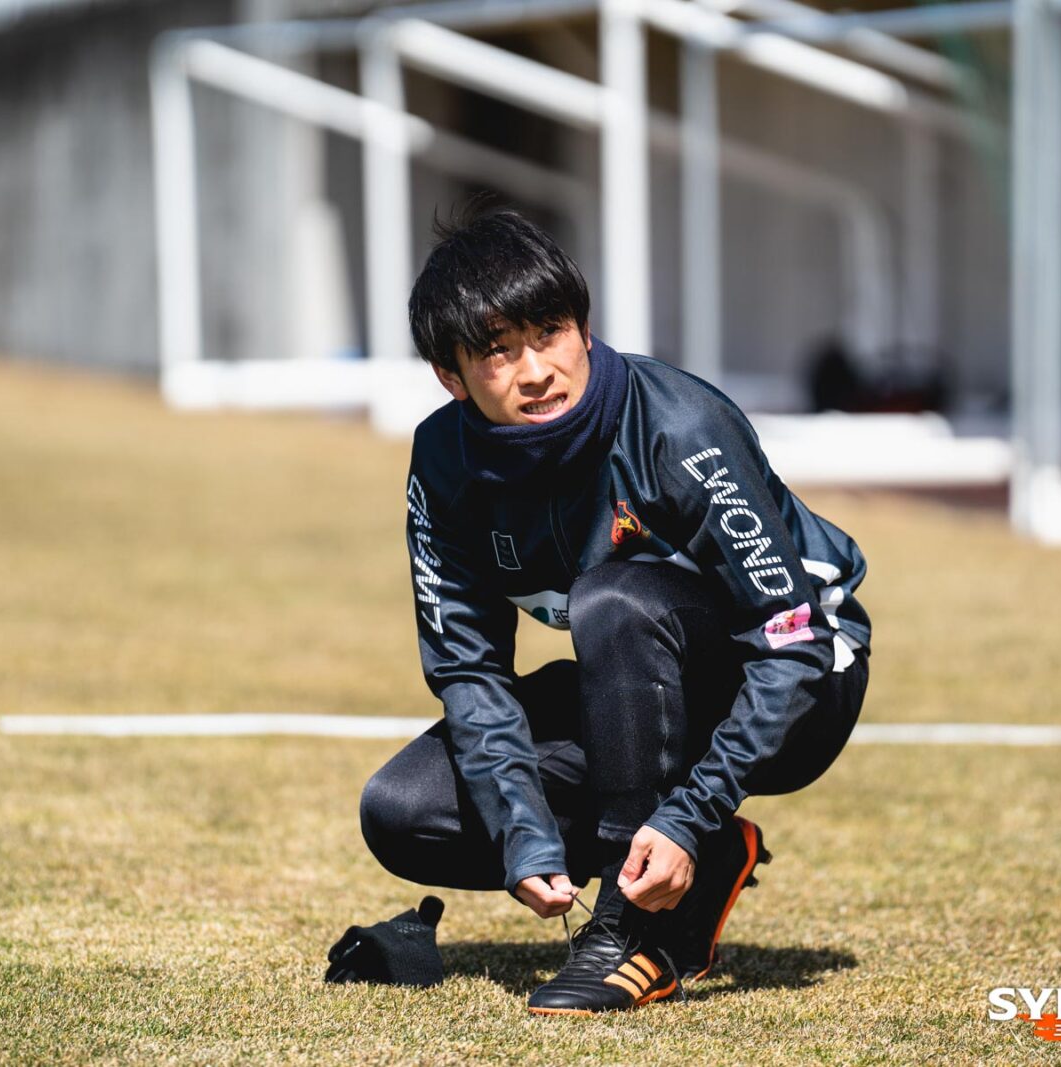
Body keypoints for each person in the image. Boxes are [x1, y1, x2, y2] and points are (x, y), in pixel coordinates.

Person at [359, 210, 871, 1016]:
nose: (536, 370)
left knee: (615, 598)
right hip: (639, 688)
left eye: (550, 333)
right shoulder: (444, 462)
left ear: (584, 328)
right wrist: (521, 827)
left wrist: (688, 809)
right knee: (404, 811)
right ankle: (700, 860)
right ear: (451, 376)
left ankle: (635, 933)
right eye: (498, 350)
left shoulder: (678, 427)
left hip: (801, 682)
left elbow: (793, 641)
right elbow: (468, 667)